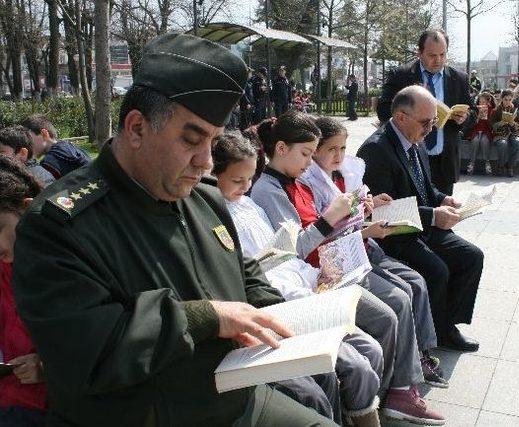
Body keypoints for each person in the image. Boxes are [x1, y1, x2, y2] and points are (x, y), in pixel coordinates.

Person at [12, 33, 338, 427]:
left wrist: (294, 318)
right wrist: (204, 317)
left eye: (214, 142)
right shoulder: (58, 225)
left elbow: (245, 277)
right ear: (136, 128)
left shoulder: (205, 199)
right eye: (191, 140)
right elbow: (85, 351)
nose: (205, 162)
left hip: (239, 402)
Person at [250, 111, 446, 425]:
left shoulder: (296, 181)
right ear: (281, 149)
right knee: (388, 311)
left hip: (334, 265)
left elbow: (317, 231)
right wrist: (334, 216)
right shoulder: (268, 191)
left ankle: (383, 395)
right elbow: (291, 251)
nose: (309, 163)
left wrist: (355, 212)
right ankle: (381, 399)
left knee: (404, 293)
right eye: (305, 154)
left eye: (313, 155)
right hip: (315, 280)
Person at [213, 131, 385, 426]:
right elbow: (257, 274)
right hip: (283, 300)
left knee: (371, 348)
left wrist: (317, 276)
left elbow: (283, 252)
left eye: (249, 179)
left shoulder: (249, 203)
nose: (246, 187)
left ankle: (366, 410)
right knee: (349, 367)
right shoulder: (220, 211)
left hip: (303, 282)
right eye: (237, 181)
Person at [300, 116, 446, 388]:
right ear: (315, 150)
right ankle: (402, 382)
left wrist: (370, 207)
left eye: (343, 148)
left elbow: (350, 217)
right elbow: (324, 236)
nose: (339, 155)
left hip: (363, 247)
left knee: (416, 281)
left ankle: (421, 352)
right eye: (331, 149)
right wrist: (366, 229)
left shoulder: (344, 175)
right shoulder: (311, 183)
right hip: (345, 260)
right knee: (400, 299)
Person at [358, 85, 483, 352]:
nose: (431, 128)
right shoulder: (376, 150)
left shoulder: (414, 138)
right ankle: (432, 336)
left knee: (472, 256)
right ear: (401, 117)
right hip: (396, 234)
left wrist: (441, 199)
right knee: (437, 270)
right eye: (426, 122)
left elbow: (424, 186)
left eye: (434, 121)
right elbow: (383, 212)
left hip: (422, 224)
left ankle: (446, 326)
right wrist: (434, 216)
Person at [377, 29, 476, 196]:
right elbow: (384, 109)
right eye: (432, 55)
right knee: (412, 215)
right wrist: (412, 111)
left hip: (444, 162)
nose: (438, 61)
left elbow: (472, 112)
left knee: (443, 215)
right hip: (409, 158)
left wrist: (464, 118)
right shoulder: (401, 76)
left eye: (442, 55)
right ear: (419, 53)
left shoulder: (459, 78)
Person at [0, 156, 47, 427]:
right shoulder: (7, 261)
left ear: (26, 208)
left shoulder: (67, 259)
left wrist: (48, 367)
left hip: (47, 405)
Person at [21, 115, 91, 179]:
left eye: (28, 138)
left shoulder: (52, 159)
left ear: (44, 134)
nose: (26, 144)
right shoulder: (68, 147)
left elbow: (46, 188)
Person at [489, 89, 519, 177]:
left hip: (513, 133)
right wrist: (499, 123)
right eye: (505, 99)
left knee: (518, 143)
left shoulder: (514, 109)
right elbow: (490, 124)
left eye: (510, 100)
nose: (507, 102)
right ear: (502, 99)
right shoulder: (496, 110)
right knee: (502, 144)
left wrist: (513, 123)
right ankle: (501, 165)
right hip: (500, 134)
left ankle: (510, 166)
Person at [464, 92, 495, 175]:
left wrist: (486, 118)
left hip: (486, 131)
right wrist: (478, 117)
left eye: (484, 102)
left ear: (488, 102)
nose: (481, 104)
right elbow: (471, 124)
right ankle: (471, 163)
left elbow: (492, 126)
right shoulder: (475, 110)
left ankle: (487, 162)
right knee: (475, 141)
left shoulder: (492, 110)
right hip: (476, 131)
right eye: (480, 102)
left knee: (484, 141)